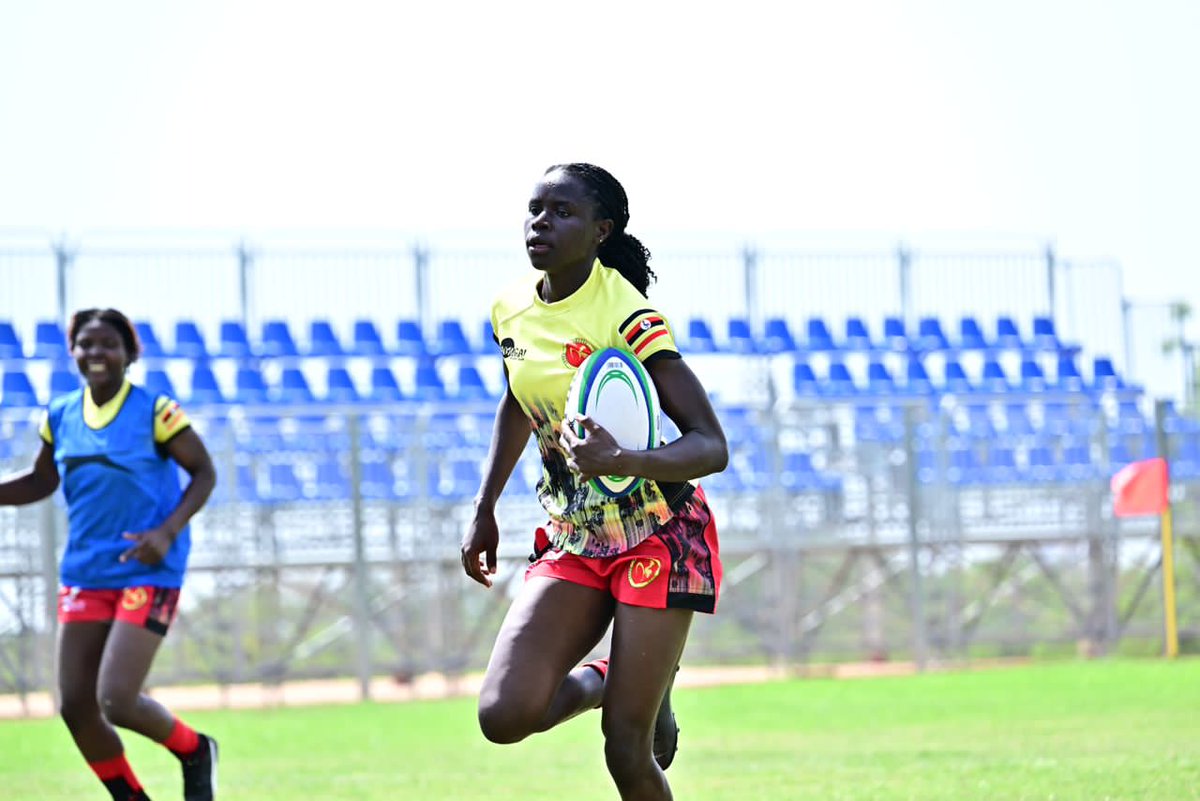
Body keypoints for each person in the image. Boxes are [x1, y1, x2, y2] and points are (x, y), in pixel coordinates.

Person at [460, 163, 728, 801]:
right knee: (504, 714)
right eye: (534, 209)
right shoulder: (509, 310)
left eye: (562, 212)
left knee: (627, 749)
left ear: (601, 230)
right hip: (573, 538)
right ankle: (619, 675)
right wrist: (485, 506)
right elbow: (517, 402)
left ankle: (638, 692)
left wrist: (621, 462)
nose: (541, 223)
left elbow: (710, 446)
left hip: (659, 535)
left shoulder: (628, 315)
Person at [0, 308, 218, 801]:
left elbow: (204, 472)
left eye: (108, 344)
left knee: (116, 698)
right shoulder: (58, 415)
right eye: (86, 345)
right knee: (76, 706)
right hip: (85, 574)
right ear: (73, 353)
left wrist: (166, 531)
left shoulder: (156, 411)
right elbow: (40, 480)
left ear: (129, 353)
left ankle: (195, 750)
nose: (96, 354)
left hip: (148, 569)